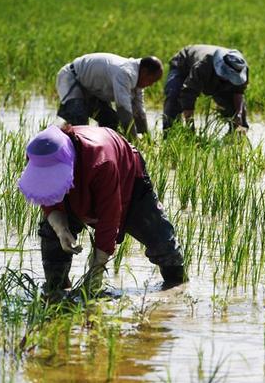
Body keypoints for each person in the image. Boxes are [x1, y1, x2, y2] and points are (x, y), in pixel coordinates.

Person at [17, 125, 183, 294]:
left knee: (163, 244)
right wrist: (61, 229)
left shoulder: (102, 163)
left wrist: (96, 271)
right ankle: (56, 291)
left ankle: (177, 291)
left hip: (128, 179)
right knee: (51, 234)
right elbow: (45, 194)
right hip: (80, 180)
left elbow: (109, 219)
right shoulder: (39, 155)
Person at [56, 53, 163, 137]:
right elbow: (123, 110)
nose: (150, 85)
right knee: (79, 123)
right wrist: (134, 140)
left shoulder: (138, 84)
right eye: (151, 80)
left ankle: (103, 147)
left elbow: (139, 112)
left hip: (92, 89)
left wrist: (145, 137)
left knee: (111, 120)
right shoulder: (125, 73)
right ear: (144, 72)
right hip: (72, 78)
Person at [163, 44, 249, 134]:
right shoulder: (203, 65)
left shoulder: (241, 69)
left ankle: (234, 140)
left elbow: (238, 91)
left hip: (212, 77)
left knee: (236, 112)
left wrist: (238, 113)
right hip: (183, 64)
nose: (228, 79)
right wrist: (190, 128)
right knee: (174, 95)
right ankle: (169, 135)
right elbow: (188, 95)